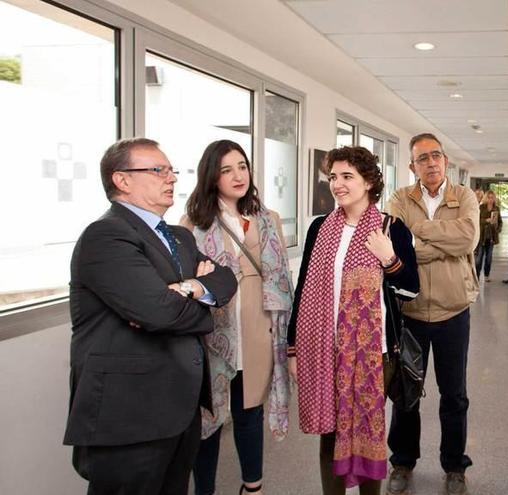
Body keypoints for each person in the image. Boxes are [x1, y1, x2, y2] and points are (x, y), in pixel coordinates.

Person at [64, 138, 237, 495]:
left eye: (171, 170)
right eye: (158, 170)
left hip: (179, 407)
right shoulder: (106, 235)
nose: (171, 177)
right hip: (131, 414)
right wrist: (197, 299)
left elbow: (225, 279)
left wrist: (189, 288)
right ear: (122, 180)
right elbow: (160, 312)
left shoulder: (178, 236)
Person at [288, 146, 419, 495]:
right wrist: (292, 349)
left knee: (366, 430)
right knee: (330, 435)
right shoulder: (320, 228)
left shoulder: (391, 228)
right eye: (333, 177)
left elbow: (411, 290)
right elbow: (303, 288)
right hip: (324, 348)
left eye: (347, 176)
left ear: (369, 182)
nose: (337, 184)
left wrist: (389, 259)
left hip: (373, 353)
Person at [180, 140, 293, 495]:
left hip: (259, 328)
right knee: (208, 418)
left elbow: (281, 276)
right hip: (215, 331)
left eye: (242, 166)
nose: (237, 175)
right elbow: (187, 281)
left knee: (249, 412)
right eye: (227, 169)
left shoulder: (267, 218)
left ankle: (253, 486)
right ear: (212, 176)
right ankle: (205, 490)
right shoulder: (192, 224)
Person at [385, 133, 479, 495]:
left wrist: (419, 233)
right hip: (409, 313)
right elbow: (395, 247)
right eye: (422, 158)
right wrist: (442, 245)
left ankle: (454, 464)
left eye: (436, 155)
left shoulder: (463, 196)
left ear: (445, 159)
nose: (431, 163)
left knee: (454, 394)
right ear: (413, 166)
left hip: (453, 311)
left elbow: (467, 240)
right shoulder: (398, 199)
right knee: (405, 392)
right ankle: (403, 462)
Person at [475, 190, 502, 282]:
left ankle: (487, 275)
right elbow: (477, 220)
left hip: (491, 237)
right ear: (486, 198)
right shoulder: (481, 207)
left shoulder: (496, 208)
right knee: (479, 257)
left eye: (492, 197)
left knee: (489, 257)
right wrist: (486, 221)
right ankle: (477, 276)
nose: (490, 199)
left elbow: (500, 221)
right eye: (489, 197)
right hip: (481, 236)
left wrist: (498, 229)